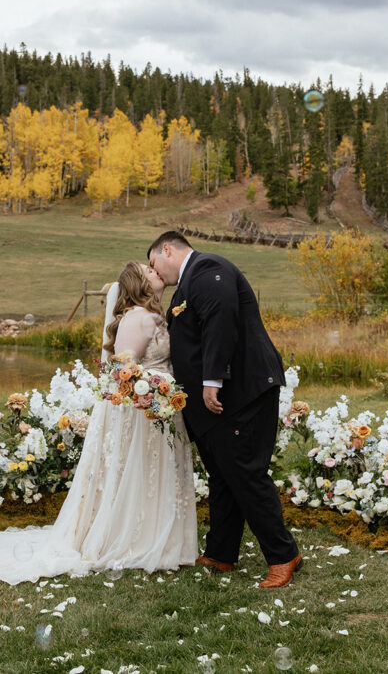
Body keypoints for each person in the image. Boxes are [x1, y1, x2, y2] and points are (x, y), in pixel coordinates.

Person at [0, 262, 197, 584]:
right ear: (140, 284)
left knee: (149, 475)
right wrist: (154, 389)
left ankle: (159, 538)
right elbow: (122, 372)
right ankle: (135, 539)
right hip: (142, 412)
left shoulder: (152, 314)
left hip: (157, 410)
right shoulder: (136, 318)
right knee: (139, 474)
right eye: (149, 271)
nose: (157, 271)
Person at [147, 231, 301, 588]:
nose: (156, 272)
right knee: (222, 473)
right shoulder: (189, 282)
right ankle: (221, 552)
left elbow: (222, 319)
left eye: (154, 263)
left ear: (166, 249)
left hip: (240, 390)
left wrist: (212, 378)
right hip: (217, 399)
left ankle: (283, 555)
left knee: (245, 471)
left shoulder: (207, 268)